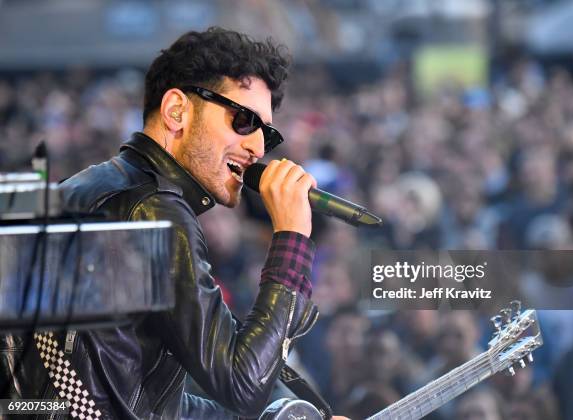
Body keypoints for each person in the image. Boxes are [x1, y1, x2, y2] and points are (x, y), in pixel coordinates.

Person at [3, 27, 346, 419]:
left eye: (266, 134)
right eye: (244, 120)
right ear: (176, 111)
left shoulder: (82, 190)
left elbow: (136, 397)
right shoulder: (156, 210)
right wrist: (291, 239)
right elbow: (242, 385)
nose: (258, 147)